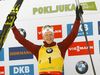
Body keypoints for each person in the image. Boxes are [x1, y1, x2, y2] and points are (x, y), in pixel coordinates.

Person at [11, 5, 83, 75]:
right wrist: (13, 26)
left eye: (51, 34)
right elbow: (22, 41)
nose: (49, 37)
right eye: (46, 35)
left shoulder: (61, 47)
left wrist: (77, 19)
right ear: (43, 36)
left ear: (53, 35)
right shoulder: (37, 49)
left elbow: (73, 34)